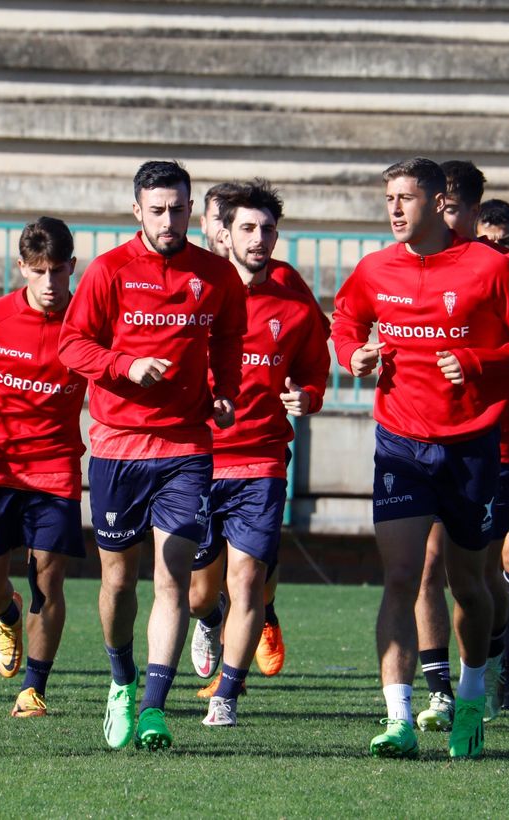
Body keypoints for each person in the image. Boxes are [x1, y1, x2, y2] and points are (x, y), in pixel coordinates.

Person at [331, 157, 509, 759]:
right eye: (389, 199)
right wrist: (354, 354)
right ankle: (399, 717)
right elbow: (347, 319)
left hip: (471, 448)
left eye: (407, 198)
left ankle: (474, 693)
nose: (396, 209)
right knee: (402, 576)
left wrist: (482, 362)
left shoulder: (489, 267)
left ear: (438, 203)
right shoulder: (375, 268)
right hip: (400, 441)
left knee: (468, 583)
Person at [59, 160, 245, 751]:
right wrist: (124, 366)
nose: (169, 220)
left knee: (172, 578)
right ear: (137, 210)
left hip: (187, 445)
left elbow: (229, 343)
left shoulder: (216, 276)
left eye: (179, 208)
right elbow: (72, 344)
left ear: (194, 211)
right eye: (158, 209)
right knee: (118, 582)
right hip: (117, 445)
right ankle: (120, 678)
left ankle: (152, 708)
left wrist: (224, 392)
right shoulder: (109, 271)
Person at [184, 181, 329, 727]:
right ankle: (207, 621)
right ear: (225, 232)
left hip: (262, 460)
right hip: (197, 459)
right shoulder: (199, 291)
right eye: (247, 227)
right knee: (200, 594)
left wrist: (308, 395)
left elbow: (317, 363)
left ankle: (227, 691)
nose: (258, 238)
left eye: (267, 228)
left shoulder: (292, 297)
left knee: (245, 579)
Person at [0, 216, 87, 719]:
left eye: (59, 271)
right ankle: (4, 615)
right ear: (22, 268)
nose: (51, 284)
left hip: (55, 469)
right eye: (40, 271)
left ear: (73, 267)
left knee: (48, 581)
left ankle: (34, 688)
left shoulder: (87, 324)